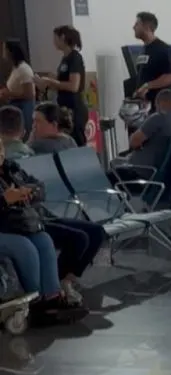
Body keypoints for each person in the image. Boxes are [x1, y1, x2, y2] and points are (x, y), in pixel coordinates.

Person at [0, 139, 88, 324]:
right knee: (24, 247)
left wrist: (30, 192)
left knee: (44, 240)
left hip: (16, 225)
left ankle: (51, 298)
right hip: (6, 229)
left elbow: (39, 186)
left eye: (0, 147)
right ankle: (35, 302)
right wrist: (4, 200)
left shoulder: (11, 169)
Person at [34, 26, 87, 146]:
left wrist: (50, 82)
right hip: (64, 107)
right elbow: (62, 82)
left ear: (62, 37)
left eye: (55, 38)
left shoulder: (75, 58)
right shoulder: (65, 58)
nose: (53, 42)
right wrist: (46, 82)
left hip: (74, 108)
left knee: (76, 143)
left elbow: (73, 86)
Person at [125, 89, 171, 170]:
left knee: (116, 165)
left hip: (146, 170)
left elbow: (134, 142)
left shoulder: (159, 117)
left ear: (159, 103)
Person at [132, 12, 171, 107]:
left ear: (147, 27)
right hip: (145, 106)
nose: (133, 27)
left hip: (160, 107)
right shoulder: (143, 50)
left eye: (137, 24)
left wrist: (147, 86)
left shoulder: (164, 49)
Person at [0, 40, 35, 135]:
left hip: (24, 108)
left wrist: (9, 94)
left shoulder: (24, 69)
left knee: (24, 133)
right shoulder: (16, 68)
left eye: (4, 49)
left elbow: (29, 94)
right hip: (15, 106)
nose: (3, 52)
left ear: (10, 51)